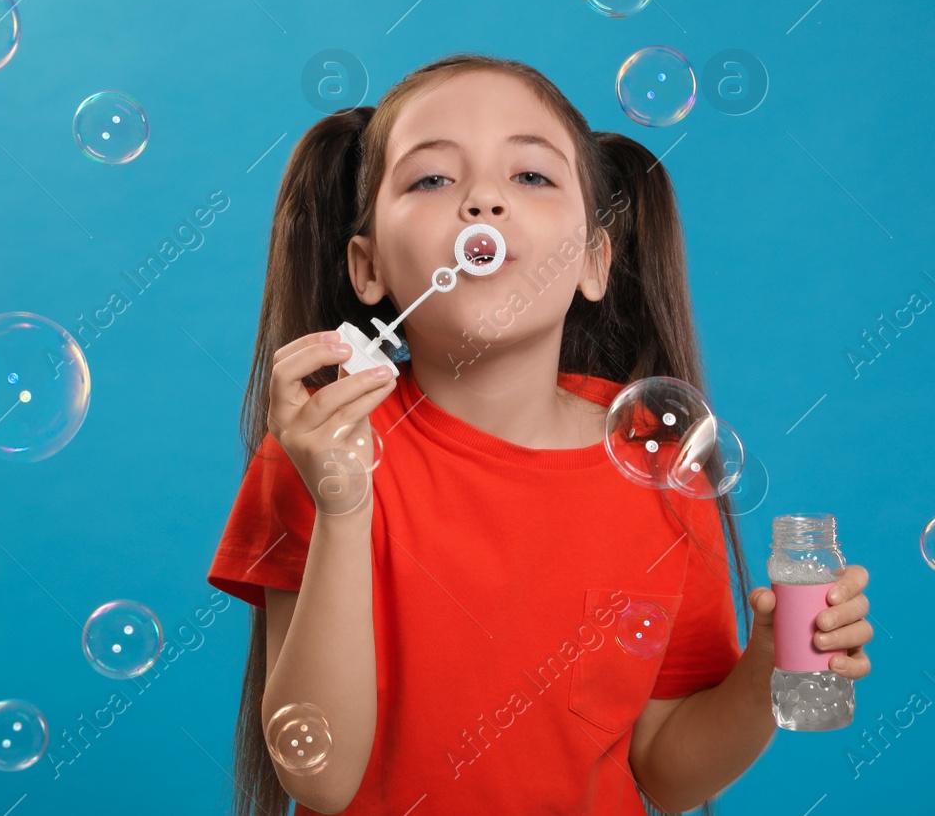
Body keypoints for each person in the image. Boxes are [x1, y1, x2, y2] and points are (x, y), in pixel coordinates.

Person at [207, 53, 873, 815]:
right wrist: (342, 500)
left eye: (530, 176)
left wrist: (771, 668)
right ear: (369, 270)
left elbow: (667, 770)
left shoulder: (657, 458)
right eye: (432, 179)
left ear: (594, 260)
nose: (483, 200)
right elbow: (318, 774)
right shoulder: (327, 447)